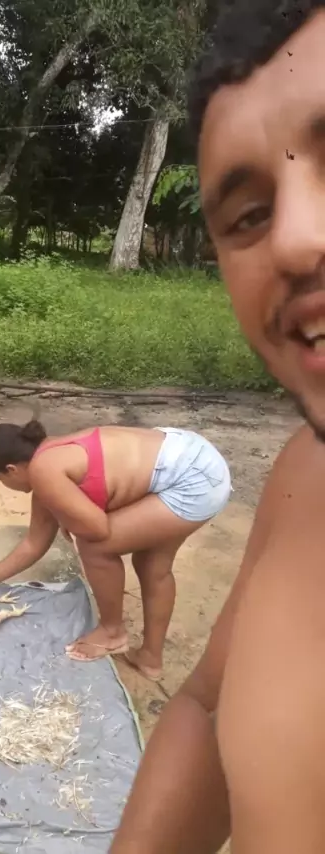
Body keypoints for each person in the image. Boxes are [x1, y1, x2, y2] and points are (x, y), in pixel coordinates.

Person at [110, 2, 325, 853]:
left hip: (195, 478)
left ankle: (137, 642)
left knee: (118, 551)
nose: (296, 242)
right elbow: (206, 705)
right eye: (248, 216)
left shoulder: (52, 476)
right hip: (197, 471)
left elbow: (87, 534)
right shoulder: (306, 474)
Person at [0, 420, 230, 679]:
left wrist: (73, 519)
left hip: (191, 480)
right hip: (190, 455)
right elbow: (34, 543)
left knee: (94, 547)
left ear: (11, 469)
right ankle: (150, 658)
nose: (4, 486)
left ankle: (112, 632)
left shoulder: (43, 471)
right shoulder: (50, 456)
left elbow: (97, 531)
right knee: (152, 565)